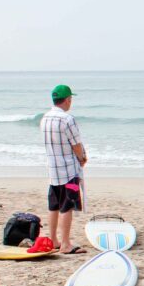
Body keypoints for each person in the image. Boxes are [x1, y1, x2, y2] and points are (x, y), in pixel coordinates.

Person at [41, 84, 88, 254]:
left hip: (53, 170)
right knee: (67, 206)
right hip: (69, 171)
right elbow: (76, 144)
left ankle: (53, 240)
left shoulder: (45, 118)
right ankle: (66, 244)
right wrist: (82, 158)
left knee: (53, 206)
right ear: (67, 100)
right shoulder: (67, 119)